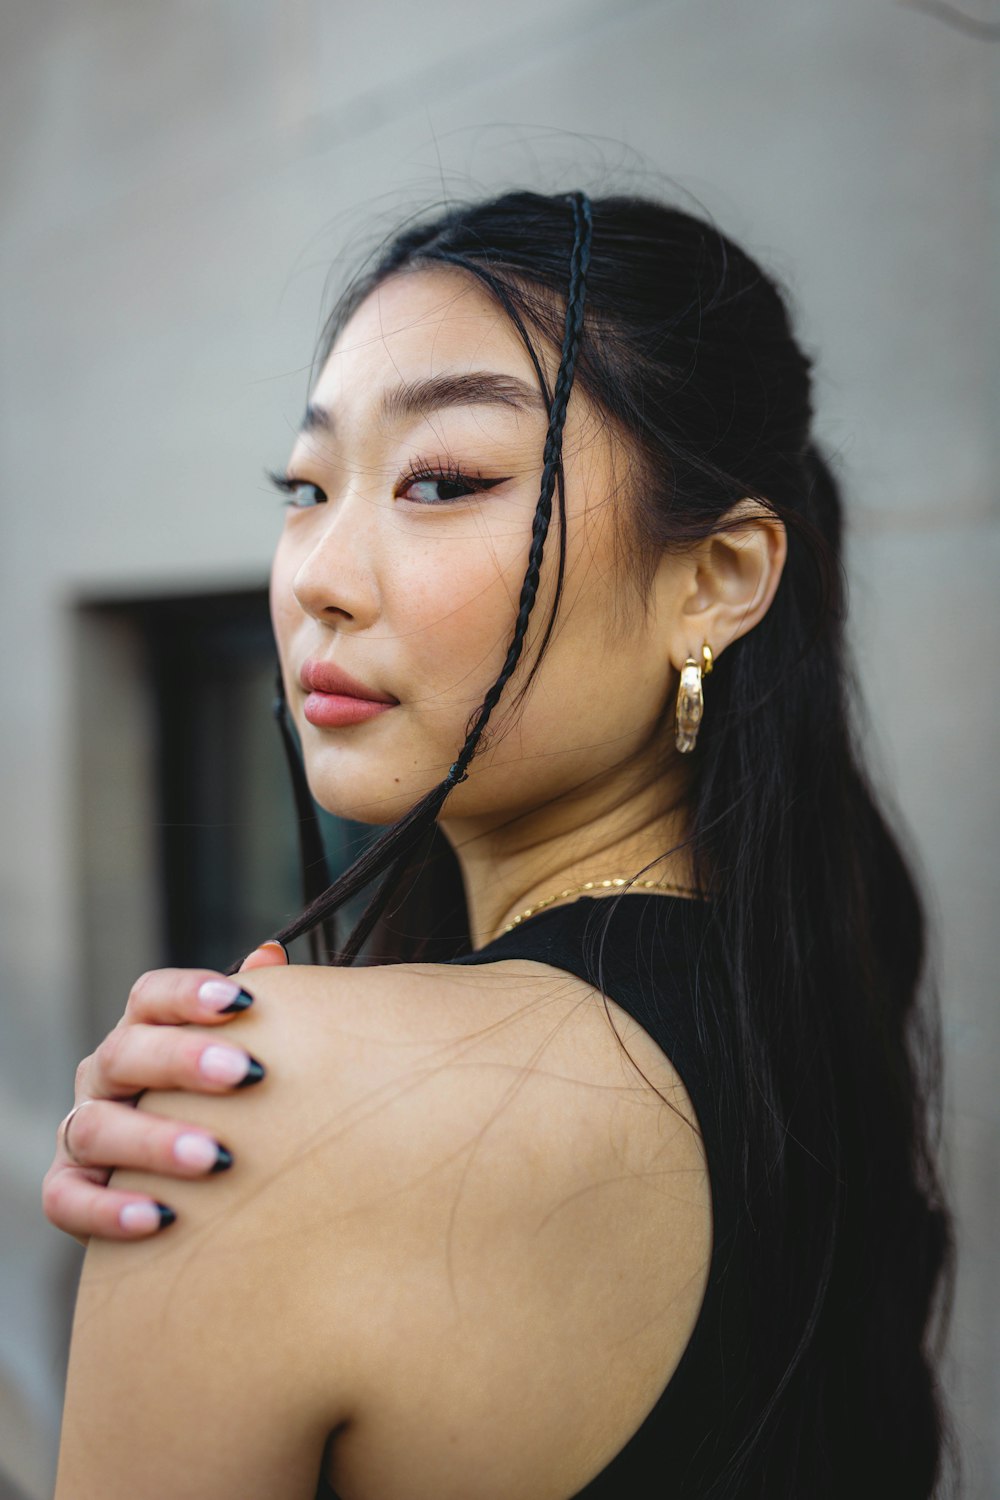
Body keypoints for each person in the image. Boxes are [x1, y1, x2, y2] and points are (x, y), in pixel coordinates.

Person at [43, 189, 958, 1499]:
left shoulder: (264, 1105)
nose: (315, 578)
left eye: (444, 479)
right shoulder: (808, 1013)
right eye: (304, 486)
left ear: (716, 579)